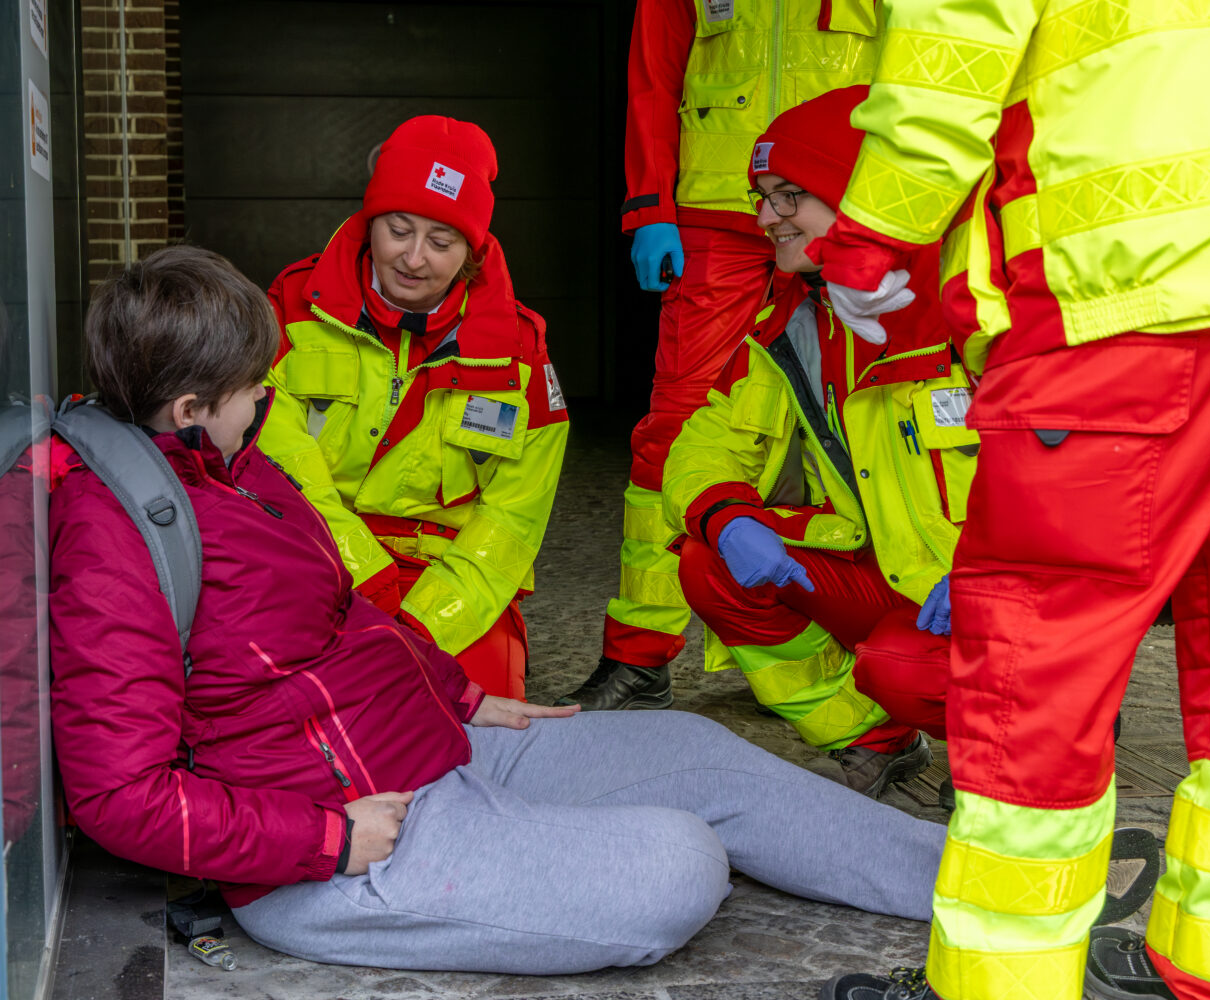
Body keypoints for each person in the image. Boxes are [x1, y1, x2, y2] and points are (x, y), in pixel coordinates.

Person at [47, 244, 950, 975]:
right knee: (677, 864)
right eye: (253, 388)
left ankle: (974, 886)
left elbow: (348, 615)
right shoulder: (119, 539)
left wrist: (461, 695)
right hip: (346, 846)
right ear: (193, 407)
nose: (270, 398)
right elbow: (117, 794)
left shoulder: (243, 472)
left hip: (429, 748)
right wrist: (327, 841)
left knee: (698, 751)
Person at [799, 4, 1210, 1000]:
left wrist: (871, 238)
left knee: (1035, 678)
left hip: (1114, 311)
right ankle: (1204, 956)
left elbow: (952, 50)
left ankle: (997, 985)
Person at [561, 0, 884, 711]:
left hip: (847, 204)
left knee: (872, 422)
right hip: (716, 211)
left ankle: (873, 635)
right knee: (673, 434)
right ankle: (639, 652)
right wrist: (650, 207)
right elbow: (654, 81)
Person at [661, 86, 970, 798]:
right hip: (889, 581)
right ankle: (873, 739)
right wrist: (728, 514)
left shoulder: (967, 312)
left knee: (903, 665)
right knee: (712, 562)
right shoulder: (798, 322)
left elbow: (1072, 475)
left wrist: (994, 563)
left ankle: (1037, 736)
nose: (765, 216)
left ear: (855, 195)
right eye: (762, 196)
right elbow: (703, 444)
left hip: (1001, 593)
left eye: (788, 195)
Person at [259, 115, 567, 702]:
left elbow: (513, 520)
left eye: (442, 241)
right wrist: (365, 581)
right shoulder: (294, 305)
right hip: (316, 558)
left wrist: (425, 622)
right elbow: (275, 462)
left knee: (476, 721)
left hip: (448, 579)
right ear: (371, 220)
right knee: (288, 705)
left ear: (473, 251)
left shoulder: (518, 350)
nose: (415, 258)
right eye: (398, 230)